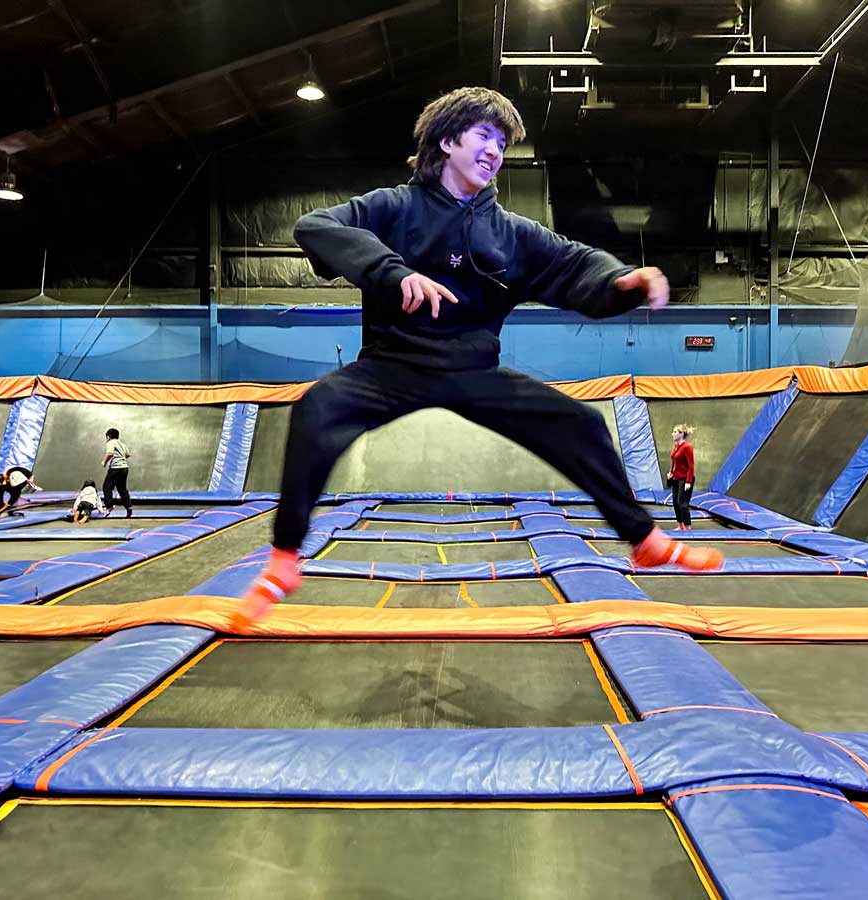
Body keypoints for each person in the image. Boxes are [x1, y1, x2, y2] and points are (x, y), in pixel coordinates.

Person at [242, 86, 723, 619]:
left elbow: (574, 266)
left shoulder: (512, 233)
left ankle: (644, 538)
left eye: (502, 143)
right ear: (447, 141)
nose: (495, 151)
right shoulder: (394, 208)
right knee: (316, 409)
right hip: (391, 365)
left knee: (581, 423)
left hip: (472, 368)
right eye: (484, 136)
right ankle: (285, 556)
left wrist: (623, 281)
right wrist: (390, 271)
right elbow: (316, 227)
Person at [667, 424, 696, 530]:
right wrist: (670, 473)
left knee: (682, 503)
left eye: (675, 432)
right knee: (675, 502)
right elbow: (674, 461)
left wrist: (688, 481)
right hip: (675, 478)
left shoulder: (687, 447)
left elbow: (691, 465)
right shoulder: (676, 446)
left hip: (685, 479)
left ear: (681, 434)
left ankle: (688, 527)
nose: (672, 434)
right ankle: (681, 525)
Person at [102, 428, 133, 517]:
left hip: (115, 469)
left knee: (107, 487)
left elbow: (110, 453)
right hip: (124, 468)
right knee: (122, 489)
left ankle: (109, 506)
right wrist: (121, 459)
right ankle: (129, 507)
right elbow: (128, 455)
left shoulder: (111, 443)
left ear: (108, 437)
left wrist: (104, 462)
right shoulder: (122, 444)